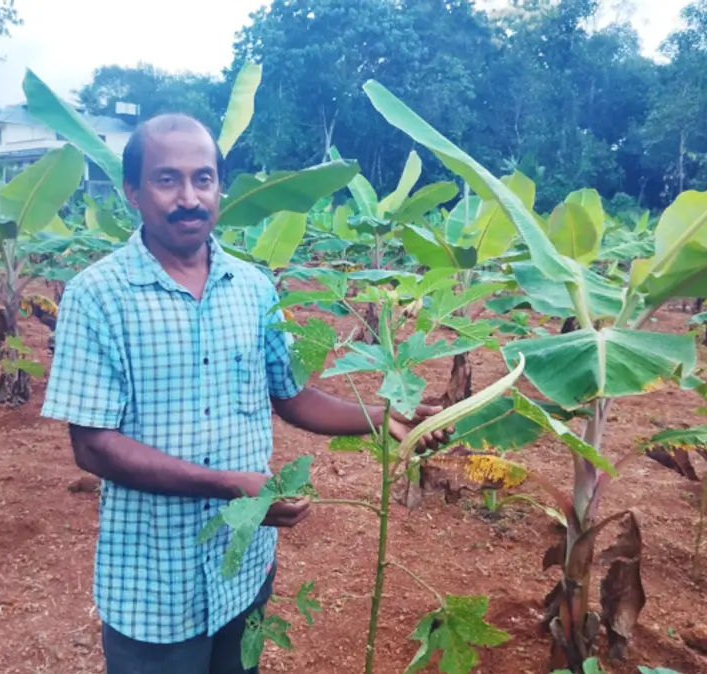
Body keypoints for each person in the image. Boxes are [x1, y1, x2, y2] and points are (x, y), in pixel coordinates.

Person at [41, 113, 452, 674]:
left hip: (242, 572)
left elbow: (290, 396)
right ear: (131, 191)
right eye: (167, 180)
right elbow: (93, 447)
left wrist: (383, 416)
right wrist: (233, 487)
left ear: (219, 187)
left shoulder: (254, 287)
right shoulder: (97, 296)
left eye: (203, 178)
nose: (189, 197)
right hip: (154, 583)